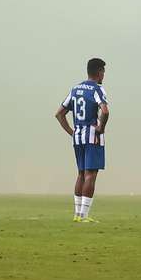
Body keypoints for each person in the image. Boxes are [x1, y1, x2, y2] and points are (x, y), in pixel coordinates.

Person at [54, 58, 110, 223]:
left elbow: (59, 113)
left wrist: (72, 132)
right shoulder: (97, 89)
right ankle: (84, 216)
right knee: (90, 175)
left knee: (80, 174)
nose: (104, 75)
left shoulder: (75, 89)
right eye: (103, 72)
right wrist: (101, 127)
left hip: (78, 137)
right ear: (99, 72)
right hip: (92, 137)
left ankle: (77, 214)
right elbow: (105, 111)